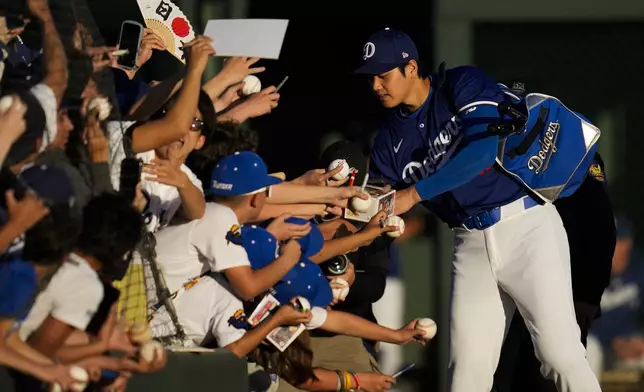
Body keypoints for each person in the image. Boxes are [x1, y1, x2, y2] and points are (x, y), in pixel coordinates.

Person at [354, 28, 602, 391]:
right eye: (370, 77)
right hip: (469, 241)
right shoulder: (388, 141)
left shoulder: (459, 84)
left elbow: (483, 153)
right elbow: (376, 202)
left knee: (559, 353)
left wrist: (413, 194)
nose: (376, 85)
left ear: (410, 68)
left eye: (383, 74)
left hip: (526, 223)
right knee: (466, 371)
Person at [492, 84, 616, 391]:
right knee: (500, 376)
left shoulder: (573, 153)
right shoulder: (493, 152)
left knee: (550, 375)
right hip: (504, 287)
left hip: (563, 289)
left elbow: (598, 226)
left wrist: (588, 294)